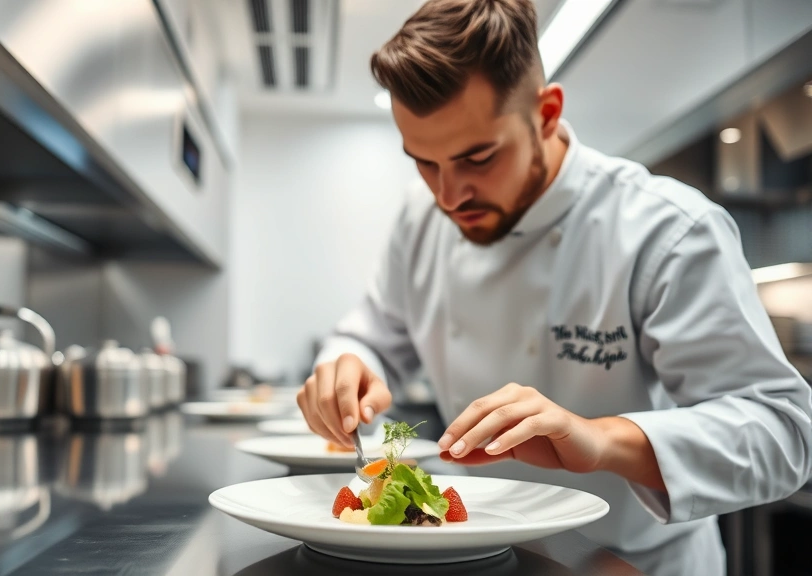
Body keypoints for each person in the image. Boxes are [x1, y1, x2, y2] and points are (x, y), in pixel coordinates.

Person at [295, 1, 812, 574]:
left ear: (546, 113)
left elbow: (783, 435)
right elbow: (368, 336)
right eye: (424, 162)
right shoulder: (421, 221)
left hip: (630, 562)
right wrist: (345, 367)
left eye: (478, 157)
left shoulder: (666, 231)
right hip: (481, 555)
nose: (448, 195)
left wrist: (599, 439)